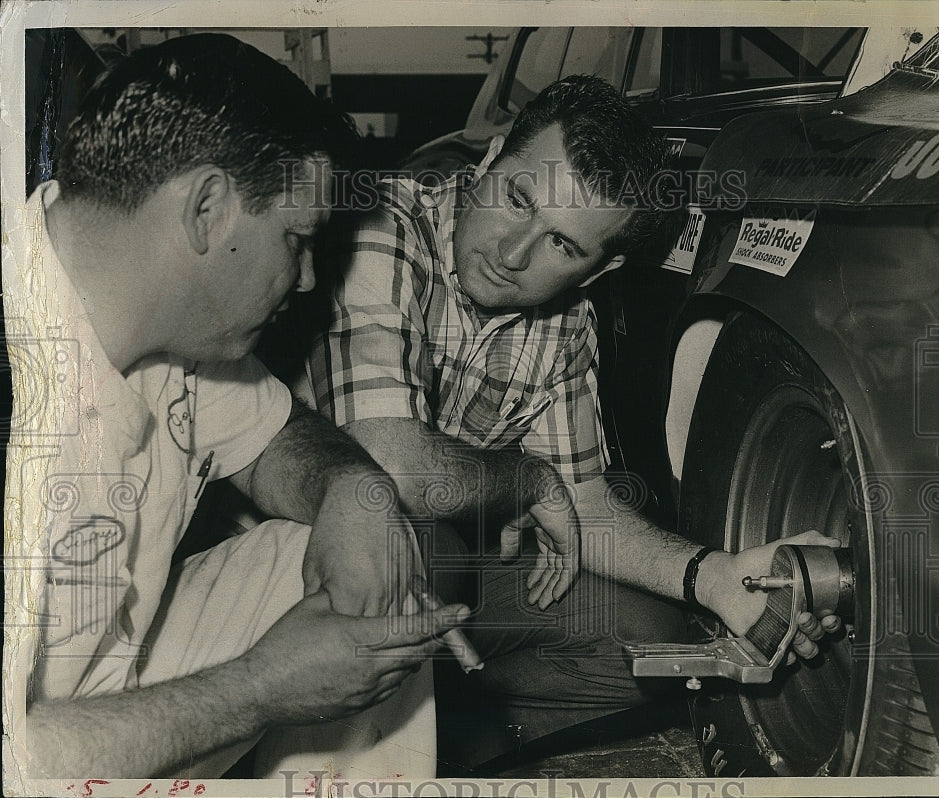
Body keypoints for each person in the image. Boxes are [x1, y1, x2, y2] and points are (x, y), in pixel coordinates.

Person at [308, 75, 841, 764]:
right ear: (492, 155)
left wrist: (715, 575)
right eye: (517, 200)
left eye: (563, 244)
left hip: (452, 576)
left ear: (599, 268)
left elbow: (584, 502)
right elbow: (397, 465)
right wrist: (526, 484)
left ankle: (452, 727)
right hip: (306, 556)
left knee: (656, 638)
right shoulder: (383, 229)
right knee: (419, 538)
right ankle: (377, 737)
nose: (513, 254)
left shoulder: (563, 324)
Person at [3, 33, 470, 781]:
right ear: (208, 210)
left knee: (359, 567)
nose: (311, 277)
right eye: (297, 238)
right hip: (33, 749)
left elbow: (279, 437)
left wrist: (356, 491)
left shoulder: (169, 319)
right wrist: (260, 690)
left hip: (113, 678)